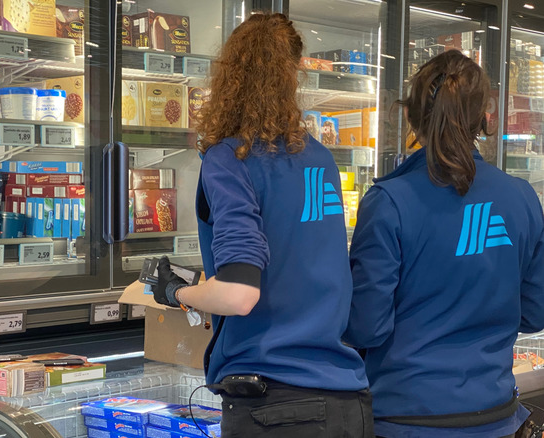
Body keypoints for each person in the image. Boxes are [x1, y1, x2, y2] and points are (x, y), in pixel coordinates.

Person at [153, 13, 373, 438]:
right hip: (348, 401)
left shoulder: (229, 160)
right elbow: (297, 253)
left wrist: (175, 292)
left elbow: (239, 294)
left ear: (229, 76)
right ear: (293, 76)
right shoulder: (319, 158)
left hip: (278, 408)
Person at [344, 49, 544, 438]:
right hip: (495, 415)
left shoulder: (389, 202)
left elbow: (367, 327)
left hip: (407, 418)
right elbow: (535, 312)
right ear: (484, 120)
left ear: (410, 116)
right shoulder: (520, 197)